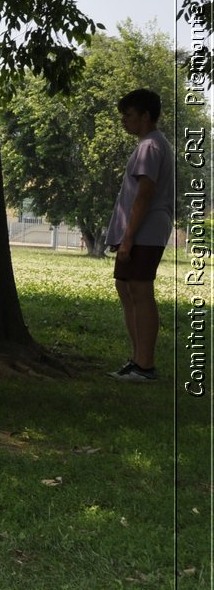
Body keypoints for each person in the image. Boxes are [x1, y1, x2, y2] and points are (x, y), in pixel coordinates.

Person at [106, 88, 175, 381]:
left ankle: (145, 366)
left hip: (145, 232)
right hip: (139, 231)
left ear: (146, 115)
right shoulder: (150, 144)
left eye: (129, 115)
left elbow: (145, 194)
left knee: (140, 292)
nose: (125, 121)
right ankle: (137, 361)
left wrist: (130, 237)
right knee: (126, 288)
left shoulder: (150, 146)